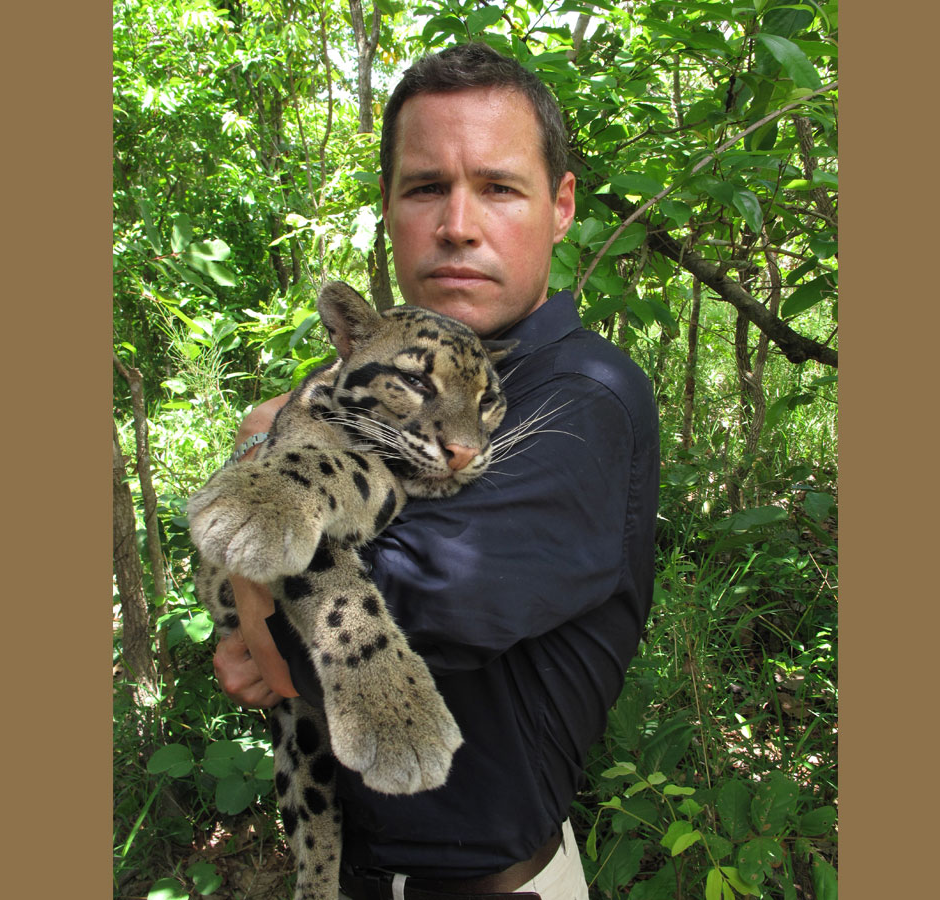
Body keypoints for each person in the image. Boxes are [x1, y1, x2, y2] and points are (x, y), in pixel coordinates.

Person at [213, 43, 659, 900]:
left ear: (559, 206)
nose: (458, 224)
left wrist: (263, 494)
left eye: (497, 186)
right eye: (426, 188)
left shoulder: (582, 398)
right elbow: (242, 591)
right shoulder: (391, 366)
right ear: (388, 207)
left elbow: (413, 600)